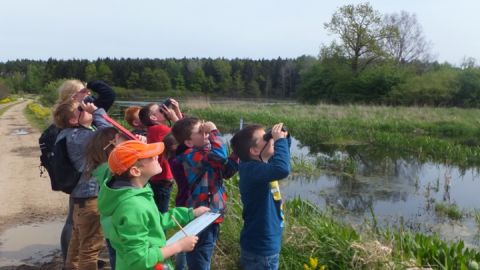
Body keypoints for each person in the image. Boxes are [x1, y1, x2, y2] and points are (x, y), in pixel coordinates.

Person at [96, 140, 210, 270]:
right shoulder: (132, 207)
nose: (156, 156)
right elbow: (139, 259)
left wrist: (190, 213)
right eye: (150, 157)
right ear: (135, 171)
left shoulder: (139, 191)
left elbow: (155, 221)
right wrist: (178, 246)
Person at [55, 79, 116, 262]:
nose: (87, 107)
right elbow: (109, 134)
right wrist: (97, 113)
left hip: (80, 194)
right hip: (90, 196)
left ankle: (71, 266)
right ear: (73, 119)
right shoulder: (82, 136)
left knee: (76, 241)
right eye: (80, 109)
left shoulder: (69, 133)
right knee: (90, 247)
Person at [171, 117, 231, 270]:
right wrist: (213, 131)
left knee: (203, 254)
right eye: (201, 131)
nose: (206, 134)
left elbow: (225, 168)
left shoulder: (203, 153)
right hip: (201, 216)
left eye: (205, 130)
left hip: (210, 214)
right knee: (200, 259)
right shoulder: (191, 156)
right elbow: (220, 157)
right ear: (189, 143)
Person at [230, 123, 291, 270]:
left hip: (261, 243)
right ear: (254, 150)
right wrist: (279, 141)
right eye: (265, 137)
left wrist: (284, 136)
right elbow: (282, 169)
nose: (270, 139)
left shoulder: (260, 163)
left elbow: (283, 158)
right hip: (261, 248)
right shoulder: (252, 170)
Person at [84, 127, 127, 270]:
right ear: (111, 145)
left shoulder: (101, 167)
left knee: (115, 256)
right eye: (121, 140)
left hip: (110, 224)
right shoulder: (110, 169)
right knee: (122, 258)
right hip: (119, 223)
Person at [138, 101, 182, 213]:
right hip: (162, 180)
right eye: (160, 110)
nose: (164, 110)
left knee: (158, 211)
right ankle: (161, 230)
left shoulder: (154, 130)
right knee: (162, 214)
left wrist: (177, 111)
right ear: (153, 117)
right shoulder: (160, 130)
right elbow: (185, 132)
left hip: (157, 179)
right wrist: (174, 116)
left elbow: (183, 127)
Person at [163, 133, 188, 270]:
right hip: (187, 202)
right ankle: (181, 267)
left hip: (182, 199)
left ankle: (181, 266)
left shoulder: (173, 159)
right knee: (187, 236)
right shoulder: (181, 160)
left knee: (185, 234)